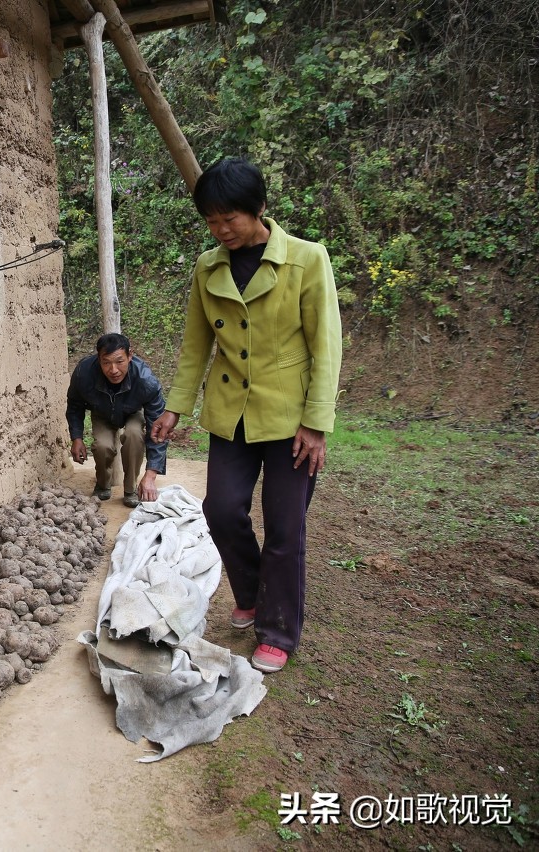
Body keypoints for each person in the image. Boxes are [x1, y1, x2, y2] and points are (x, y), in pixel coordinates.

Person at [150, 157, 342, 674]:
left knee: (285, 527)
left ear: (259, 208)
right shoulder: (207, 267)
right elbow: (196, 345)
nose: (221, 230)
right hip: (230, 414)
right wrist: (175, 407)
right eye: (211, 221)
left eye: (229, 218)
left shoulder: (306, 260)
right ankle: (255, 594)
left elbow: (327, 347)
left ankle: (277, 629)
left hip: (290, 420)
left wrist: (316, 423)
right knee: (221, 510)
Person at [66, 332, 168, 507]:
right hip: (102, 412)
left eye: (119, 361)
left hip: (133, 411)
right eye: (106, 362)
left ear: (130, 356)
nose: (113, 370)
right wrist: (76, 438)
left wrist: (151, 474)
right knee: (102, 446)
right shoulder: (84, 373)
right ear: (98, 359)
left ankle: (131, 488)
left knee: (134, 435)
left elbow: (158, 429)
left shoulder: (146, 381)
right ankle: (103, 484)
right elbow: (75, 405)